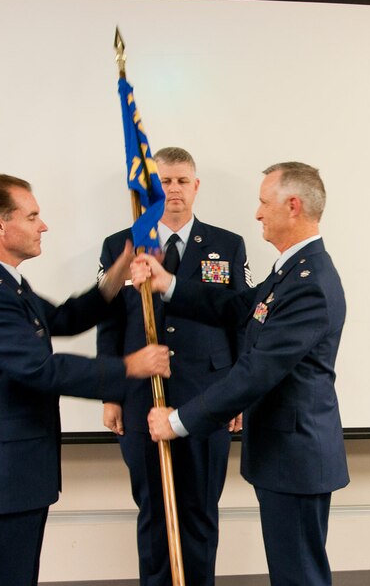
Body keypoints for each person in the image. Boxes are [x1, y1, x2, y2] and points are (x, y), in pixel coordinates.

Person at [0, 174, 170, 586]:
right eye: (32, 216)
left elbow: (62, 319)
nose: (43, 225)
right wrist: (129, 367)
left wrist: (116, 275)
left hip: (16, 473)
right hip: (2, 476)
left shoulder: (5, 283)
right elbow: (42, 370)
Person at [136, 162, 350, 586]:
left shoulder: (309, 281)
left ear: (292, 206)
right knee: (292, 571)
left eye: (263, 203)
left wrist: (178, 422)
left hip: (296, 457)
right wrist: (170, 285)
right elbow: (238, 308)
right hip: (282, 453)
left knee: (299, 575)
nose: (256, 213)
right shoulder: (290, 270)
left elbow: (255, 372)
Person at [97, 147, 253, 586]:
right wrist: (110, 392)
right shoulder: (121, 246)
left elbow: (240, 321)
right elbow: (108, 324)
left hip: (209, 395)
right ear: (149, 188)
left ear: (196, 186)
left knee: (200, 508)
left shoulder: (226, 244)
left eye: (182, 180)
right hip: (140, 398)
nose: (173, 189)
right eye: (163, 181)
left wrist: (237, 394)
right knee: (152, 508)